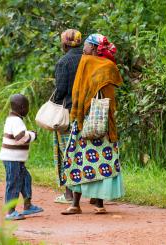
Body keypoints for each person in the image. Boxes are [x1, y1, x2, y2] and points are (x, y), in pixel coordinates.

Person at [60, 34, 125, 215]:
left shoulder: (86, 63)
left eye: (88, 45)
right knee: (103, 159)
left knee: (78, 158)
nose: (84, 48)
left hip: (84, 119)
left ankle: (76, 204)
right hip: (102, 120)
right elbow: (110, 97)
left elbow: (79, 90)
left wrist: (80, 111)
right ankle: (98, 204)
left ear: (96, 48)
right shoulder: (109, 67)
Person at [0, 94, 44, 220]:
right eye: (28, 107)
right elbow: (21, 138)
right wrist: (32, 135)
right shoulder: (16, 121)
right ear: (22, 108)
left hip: (16, 159)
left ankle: (27, 205)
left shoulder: (13, 119)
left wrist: (27, 133)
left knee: (25, 179)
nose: (28, 110)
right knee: (13, 183)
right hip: (12, 159)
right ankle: (10, 211)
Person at [53, 29, 83, 204]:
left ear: (65, 43)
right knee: (85, 151)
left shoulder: (63, 62)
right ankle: (95, 195)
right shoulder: (89, 59)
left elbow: (61, 91)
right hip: (88, 112)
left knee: (67, 151)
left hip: (69, 113)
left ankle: (69, 194)